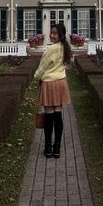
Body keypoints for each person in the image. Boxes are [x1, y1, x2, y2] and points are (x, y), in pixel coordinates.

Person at [33, 22, 72, 158]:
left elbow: (41, 68)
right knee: (58, 116)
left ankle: (48, 148)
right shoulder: (65, 48)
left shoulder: (50, 50)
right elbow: (66, 65)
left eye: (55, 33)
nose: (51, 35)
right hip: (61, 83)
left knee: (49, 116)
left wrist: (36, 77)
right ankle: (57, 148)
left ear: (60, 35)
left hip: (49, 84)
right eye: (51, 32)